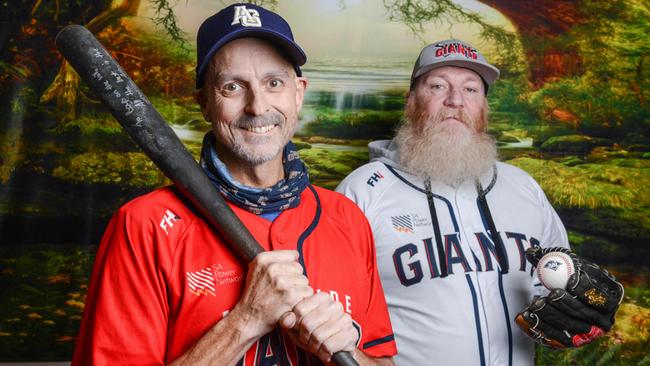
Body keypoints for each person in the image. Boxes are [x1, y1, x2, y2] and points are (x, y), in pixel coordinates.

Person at [72, 4, 397, 365]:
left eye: (273, 83)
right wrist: (245, 321)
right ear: (204, 103)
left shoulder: (346, 219)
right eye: (232, 87)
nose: (257, 106)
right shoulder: (143, 226)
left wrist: (350, 352)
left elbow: (383, 360)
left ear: (298, 92)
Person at [337, 39, 623, 365]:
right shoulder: (364, 191)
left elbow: (556, 293)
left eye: (471, 89)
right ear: (411, 101)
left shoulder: (522, 187)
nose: (455, 100)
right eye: (437, 86)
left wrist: (576, 312)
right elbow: (336, 314)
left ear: (484, 107)